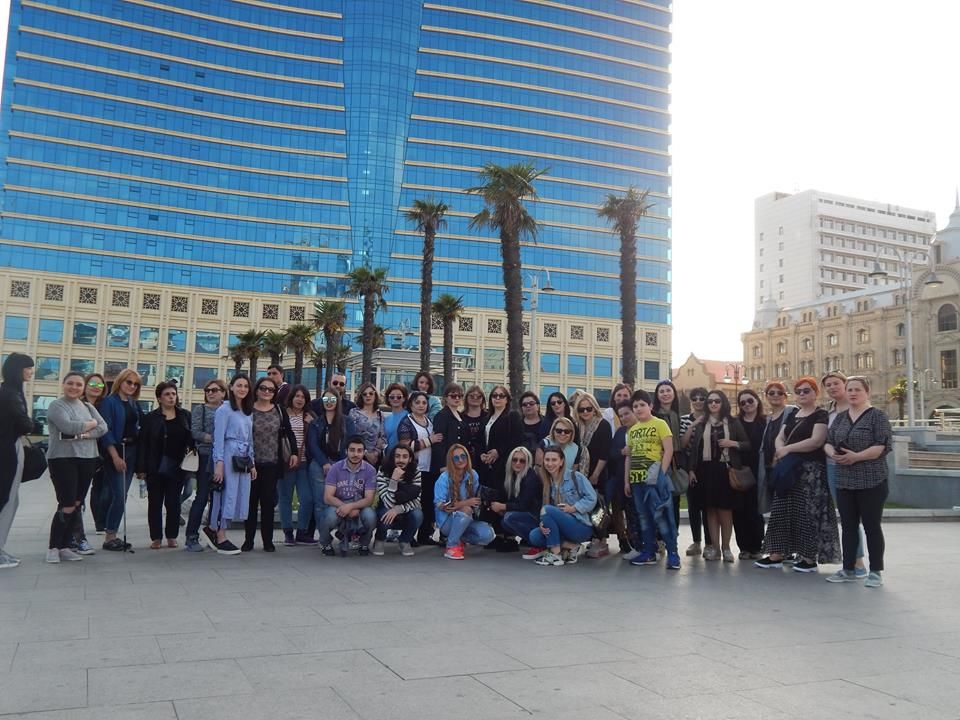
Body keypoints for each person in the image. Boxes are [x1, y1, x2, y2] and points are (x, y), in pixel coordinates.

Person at [756, 376, 840, 572]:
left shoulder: (820, 414)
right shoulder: (794, 414)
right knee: (781, 510)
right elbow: (780, 436)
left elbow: (816, 441)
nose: (802, 394)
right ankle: (777, 554)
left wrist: (787, 449)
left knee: (807, 514)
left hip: (810, 472)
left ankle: (808, 559)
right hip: (790, 470)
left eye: (806, 390)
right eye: (798, 391)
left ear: (815, 393)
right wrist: (781, 448)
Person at [824, 376, 892, 588]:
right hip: (844, 480)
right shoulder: (841, 418)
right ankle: (849, 569)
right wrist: (833, 454)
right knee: (848, 527)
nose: (853, 393)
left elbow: (881, 446)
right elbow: (828, 442)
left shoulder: (877, 416)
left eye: (857, 390)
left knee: (872, 526)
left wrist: (856, 457)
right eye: (850, 390)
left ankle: (875, 572)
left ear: (867, 392)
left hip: (871, 480)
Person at [44, 371, 108, 563]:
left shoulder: (87, 406)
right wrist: (91, 424)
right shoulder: (57, 405)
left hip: (87, 458)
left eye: (79, 384)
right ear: (63, 384)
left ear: (83, 387)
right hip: (63, 459)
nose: (74, 387)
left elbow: (103, 427)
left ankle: (65, 546)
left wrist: (84, 434)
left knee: (77, 503)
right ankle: (54, 547)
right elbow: (67, 427)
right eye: (70, 383)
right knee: (67, 504)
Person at [687, 391, 750, 562]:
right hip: (705, 471)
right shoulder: (702, 424)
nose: (713, 404)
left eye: (717, 401)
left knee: (725, 510)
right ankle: (715, 548)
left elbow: (747, 444)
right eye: (710, 401)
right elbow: (695, 449)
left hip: (725, 470)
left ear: (723, 403)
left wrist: (732, 443)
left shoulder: (733, 422)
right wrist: (691, 470)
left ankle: (726, 548)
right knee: (710, 510)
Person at [625, 390, 680, 569]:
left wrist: (661, 474)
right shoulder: (632, 430)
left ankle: (673, 554)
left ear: (650, 406)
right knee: (643, 517)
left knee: (662, 517)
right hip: (636, 480)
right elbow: (629, 456)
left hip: (655, 479)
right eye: (635, 406)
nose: (638, 408)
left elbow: (669, 450)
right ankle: (649, 552)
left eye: (642, 405)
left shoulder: (660, 424)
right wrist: (627, 481)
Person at [135, 381, 194, 549]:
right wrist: (141, 468)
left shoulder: (184, 416)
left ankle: (172, 536)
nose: (171, 397)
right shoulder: (150, 418)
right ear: (159, 398)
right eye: (167, 394)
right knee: (155, 502)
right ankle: (156, 537)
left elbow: (191, 438)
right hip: (155, 466)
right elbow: (143, 444)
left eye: (173, 394)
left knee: (173, 502)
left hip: (177, 466)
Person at [243, 376, 297, 552]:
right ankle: (248, 540)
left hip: (272, 463)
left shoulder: (279, 410)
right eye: (263, 388)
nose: (267, 392)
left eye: (271, 389)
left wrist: (294, 453)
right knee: (250, 503)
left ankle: (268, 540)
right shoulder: (248, 410)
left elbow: (289, 432)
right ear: (256, 390)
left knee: (268, 503)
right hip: (251, 464)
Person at [822, 371, 867, 577]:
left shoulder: (857, 408)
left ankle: (858, 563)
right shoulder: (828, 412)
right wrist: (831, 453)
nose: (832, 387)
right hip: (832, 466)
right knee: (845, 515)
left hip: (855, 466)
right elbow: (826, 440)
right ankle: (852, 562)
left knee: (852, 516)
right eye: (828, 385)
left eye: (836, 383)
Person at [209, 374, 256, 555]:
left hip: (243, 458)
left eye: (245, 386)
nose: (242, 389)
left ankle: (220, 530)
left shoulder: (248, 411)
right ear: (231, 387)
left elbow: (250, 439)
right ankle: (219, 533)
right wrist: (219, 462)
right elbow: (218, 438)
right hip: (228, 454)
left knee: (238, 495)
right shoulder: (224, 410)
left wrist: (251, 463)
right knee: (225, 494)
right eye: (239, 385)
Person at [529, 446, 597, 566]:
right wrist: (543, 523)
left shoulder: (575, 477)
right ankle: (572, 547)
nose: (550, 463)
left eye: (554, 460)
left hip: (581, 525)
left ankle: (555, 554)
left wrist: (573, 508)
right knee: (535, 536)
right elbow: (548, 512)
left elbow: (592, 498)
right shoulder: (547, 482)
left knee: (547, 510)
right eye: (547, 460)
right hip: (562, 527)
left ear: (561, 462)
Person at [98, 368, 142, 551]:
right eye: (128, 382)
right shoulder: (109, 402)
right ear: (120, 381)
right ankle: (110, 536)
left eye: (135, 384)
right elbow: (105, 430)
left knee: (122, 495)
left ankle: (112, 535)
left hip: (132, 450)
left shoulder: (133, 403)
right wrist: (115, 456)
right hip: (116, 450)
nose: (132, 386)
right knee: (119, 494)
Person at [307, 387, 357, 545]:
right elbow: (313, 445)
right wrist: (324, 463)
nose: (329, 402)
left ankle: (344, 533)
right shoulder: (316, 423)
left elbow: (351, 443)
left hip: (342, 465)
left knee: (344, 499)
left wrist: (340, 464)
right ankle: (324, 537)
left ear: (338, 401)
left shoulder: (347, 421)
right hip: (319, 466)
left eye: (332, 399)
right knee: (320, 503)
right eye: (326, 399)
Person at [0, 353, 35, 569]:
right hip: (9, 450)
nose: (31, 372)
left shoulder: (6, 391)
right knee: (7, 499)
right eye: (28, 368)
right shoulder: (11, 395)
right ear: (17, 370)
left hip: (8, 448)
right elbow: (26, 425)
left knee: (10, 499)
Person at [184, 378, 226, 552]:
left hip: (224, 458)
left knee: (219, 498)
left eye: (214, 390)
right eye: (207, 390)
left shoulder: (228, 409)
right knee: (201, 497)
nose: (210, 393)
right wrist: (216, 439)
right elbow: (195, 432)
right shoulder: (200, 409)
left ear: (223, 392)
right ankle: (191, 536)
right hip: (205, 456)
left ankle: (214, 532)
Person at [433, 444, 495, 560]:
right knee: (465, 509)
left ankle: (457, 538)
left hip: (468, 518)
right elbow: (440, 505)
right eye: (456, 458)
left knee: (488, 535)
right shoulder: (444, 478)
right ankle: (451, 546)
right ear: (451, 461)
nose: (460, 460)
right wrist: (465, 503)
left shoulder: (473, 475)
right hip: (446, 521)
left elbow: (475, 499)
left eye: (463, 456)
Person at [318, 436, 377, 556]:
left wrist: (351, 507)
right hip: (337, 505)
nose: (356, 454)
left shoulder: (370, 470)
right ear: (346, 451)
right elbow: (328, 497)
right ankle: (325, 543)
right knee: (329, 517)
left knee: (370, 516)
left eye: (359, 451)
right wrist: (346, 507)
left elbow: (369, 499)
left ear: (364, 452)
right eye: (352, 450)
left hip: (360, 506)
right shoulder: (335, 468)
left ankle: (364, 543)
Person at [479, 384, 522, 547]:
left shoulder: (512, 416)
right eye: (494, 395)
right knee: (492, 499)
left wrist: (498, 452)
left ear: (507, 399)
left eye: (501, 395)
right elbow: (481, 441)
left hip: (505, 466)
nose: (497, 398)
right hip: (489, 467)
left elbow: (517, 439)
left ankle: (509, 537)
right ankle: (497, 535)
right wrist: (482, 454)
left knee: (505, 497)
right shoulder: (486, 417)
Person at [571, 391, 612, 558]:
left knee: (598, 507)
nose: (586, 412)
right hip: (581, 472)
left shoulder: (603, 425)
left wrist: (595, 474)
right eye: (581, 409)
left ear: (595, 408)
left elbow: (604, 452)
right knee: (585, 506)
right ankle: (591, 537)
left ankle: (602, 539)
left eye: (589, 408)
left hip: (597, 472)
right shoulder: (577, 426)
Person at [398, 390, 442, 545]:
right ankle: (408, 536)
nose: (421, 405)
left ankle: (425, 535)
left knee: (428, 503)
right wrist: (430, 440)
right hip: (414, 470)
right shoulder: (406, 422)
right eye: (417, 402)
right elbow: (405, 445)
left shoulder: (429, 421)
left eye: (424, 402)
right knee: (412, 503)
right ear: (411, 405)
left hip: (430, 469)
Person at [732, 388, 766, 559]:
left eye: (750, 400)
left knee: (755, 509)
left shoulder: (765, 422)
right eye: (743, 402)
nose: (747, 405)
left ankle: (756, 547)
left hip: (759, 469)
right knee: (739, 509)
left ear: (757, 401)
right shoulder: (735, 422)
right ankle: (744, 547)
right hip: (740, 470)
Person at [279, 385, 315, 546]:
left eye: (303, 397)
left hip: (304, 462)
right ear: (291, 397)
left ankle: (302, 531)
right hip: (286, 462)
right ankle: (288, 532)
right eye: (297, 396)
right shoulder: (282, 414)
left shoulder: (309, 416)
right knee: (285, 498)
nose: (300, 399)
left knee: (307, 498)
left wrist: (311, 424)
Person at [490, 446, 542, 556]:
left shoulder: (530, 478)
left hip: (536, 516)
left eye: (522, 461)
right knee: (505, 520)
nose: (518, 463)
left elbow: (524, 505)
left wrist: (503, 506)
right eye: (515, 460)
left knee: (509, 517)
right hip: (528, 513)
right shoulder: (512, 475)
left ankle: (538, 543)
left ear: (527, 462)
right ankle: (532, 541)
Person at [372, 444, 422, 556]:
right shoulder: (382, 472)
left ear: (410, 459)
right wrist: (394, 480)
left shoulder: (416, 472)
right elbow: (388, 502)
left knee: (418, 514)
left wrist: (398, 509)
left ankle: (405, 540)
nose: (401, 460)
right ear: (392, 458)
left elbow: (416, 500)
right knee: (384, 512)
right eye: (397, 456)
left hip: (405, 507)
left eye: (405, 457)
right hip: (386, 507)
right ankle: (379, 539)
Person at [757, 381, 796, 518]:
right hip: (769, 467)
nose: (775, 395)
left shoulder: (792, 411)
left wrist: (778, 456)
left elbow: (793, 438)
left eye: (779, 392)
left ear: (785, 396)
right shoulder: (769, 417)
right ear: (766, 396)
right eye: (771, 393)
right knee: (776, 509)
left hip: (785, 466)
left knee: (787, 508)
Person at [609, 401, 641, 560]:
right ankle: (634, 545)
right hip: (624, 481)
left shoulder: (643, 429)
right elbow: (612, 453)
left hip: (642, 479)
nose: (624, 418)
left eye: (627, 413)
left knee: (642, 515)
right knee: (630, 515)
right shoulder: (620, 432)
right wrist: (622, 451)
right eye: (620, 416)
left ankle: (649, 546)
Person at [679, 387, 710, 556]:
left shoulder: (712, 419)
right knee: (693, 506)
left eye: (702, 398)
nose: (698, 401)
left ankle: (710, 543)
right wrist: (692, 425)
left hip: (708, 467)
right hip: (690, 468)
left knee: (708, 507)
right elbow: (682, 444)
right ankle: (696, 541)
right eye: (694, 398)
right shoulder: (684, 420)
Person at [652, 380, 683, 534]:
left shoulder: (676, 415)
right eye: (662, 391)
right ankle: (660, 538)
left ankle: (673, 537)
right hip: (658, 462)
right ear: (657, 395)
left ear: (674, 393)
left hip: (675, 463)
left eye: (668, 390)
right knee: (659, 501)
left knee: (675, 501)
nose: (665, 394)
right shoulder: (653, 415)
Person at [81, 372, 107, 545]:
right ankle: (75, 529)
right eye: (92, 384)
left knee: (99, 487)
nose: (96, 388)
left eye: (100, 385)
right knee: (77, 494)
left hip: (101, 453)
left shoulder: (104, 405)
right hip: (79, 453)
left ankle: (99, 522)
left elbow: (104, 428)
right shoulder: (78, 404)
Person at [349, 382, 387, 468]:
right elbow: (351, 435)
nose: (368, 396)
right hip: (357, 455)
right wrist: (365, 453)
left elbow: (383, 437)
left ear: (375, 395)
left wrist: (376, 453)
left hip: (375, 459)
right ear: (361, 396)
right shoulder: (354, 413)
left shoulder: (380, 415)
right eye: (364, 394)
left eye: (371, 393)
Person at [431, 383, 465, 476]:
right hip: (447, 462)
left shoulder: (461, 415)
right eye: (453, 396)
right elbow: (439, 442)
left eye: (460, 396)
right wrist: (442, 465)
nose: (457, 398)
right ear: (446, 398)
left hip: (460, 460)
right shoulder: (441, 416)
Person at [461, 385, 488, 467]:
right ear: (466, 398)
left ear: (483, 399)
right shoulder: (460, 417)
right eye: (472, 396)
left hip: (485, 456)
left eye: (479, 396)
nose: (475, 398)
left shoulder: (488, 416)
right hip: (465, 456)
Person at [382, 382, 409, 451]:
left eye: (399, 397)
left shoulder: (409, 416)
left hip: (404, 455)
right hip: (389, 455)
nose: (395, 399)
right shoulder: (386, 419)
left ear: (404, 398)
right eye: (392, 397)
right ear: (388, 399)